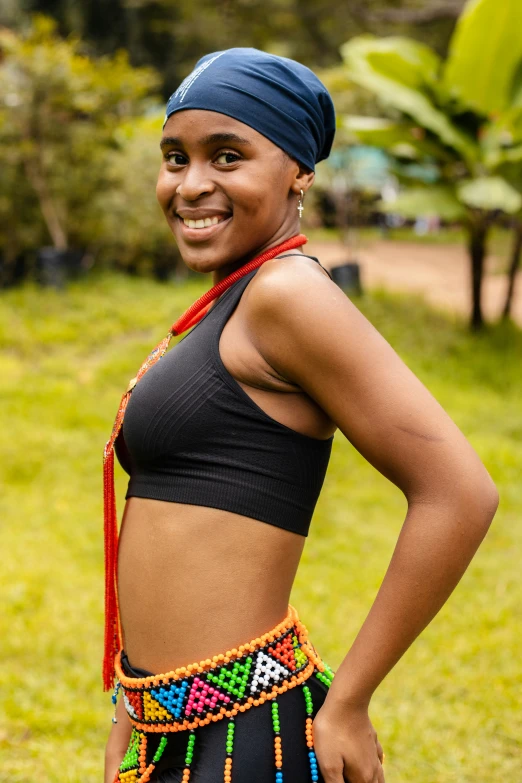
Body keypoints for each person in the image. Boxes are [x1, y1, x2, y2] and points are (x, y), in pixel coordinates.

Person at [103, 48, 499, 783]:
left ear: (298, 172)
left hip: (242, 737)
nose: (191, 185)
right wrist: (136, 701)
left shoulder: (290, 295)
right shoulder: (237, 295)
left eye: (228, 155)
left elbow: (459, 492)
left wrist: (349, 701)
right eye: (174, 156)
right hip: (174, 723)